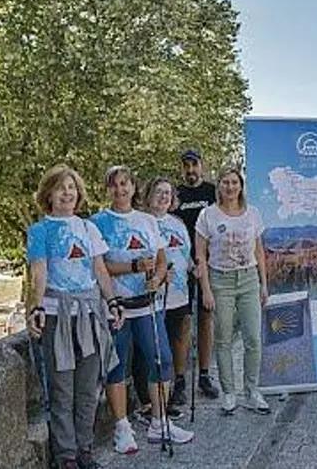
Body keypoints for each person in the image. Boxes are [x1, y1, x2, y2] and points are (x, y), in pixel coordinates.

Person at [25, 164, 123, 469]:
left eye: (72, 188)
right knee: (62, 389)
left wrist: (112, 302)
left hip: (90, 315)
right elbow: (39, 273)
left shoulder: (88, 228)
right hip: (59, 316)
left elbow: (100, 270)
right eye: (60, 188)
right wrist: (36, 308)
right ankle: (66, 455)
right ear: (48, 194)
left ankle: (85, 449)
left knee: (87, 389)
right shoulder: (40, 231)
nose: (67, 193)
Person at [91, 166, 193, 454]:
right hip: (117, 307)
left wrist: (157, 279)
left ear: (134, 187)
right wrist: (133, 266)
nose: (120, 189)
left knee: (162, 361)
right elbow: (100, 266)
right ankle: (122, 427)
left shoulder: (147, 221)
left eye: (125, 184)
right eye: (114, 185)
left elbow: (161, 259)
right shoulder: (97, 222)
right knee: (117, 366)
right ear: (108, 190)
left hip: (148, 304)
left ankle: (159, 422)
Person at [195, 168, 270, 414]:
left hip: (248, 278)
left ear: (241, 185)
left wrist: (263, 284)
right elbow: (200, 255)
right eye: (225, 182)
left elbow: (259, 251)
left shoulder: (253, 213)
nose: (230, 187)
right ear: (219, 186)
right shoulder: (208, 215)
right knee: (223, 339)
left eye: (234, 182)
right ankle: (229, 393)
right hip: (220, 280)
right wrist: (206, 289)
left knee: (253, 338)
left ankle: (252, 391)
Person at [172, 149, 219, 400]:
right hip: (182, 266)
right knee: (183, 322)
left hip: (208, 264)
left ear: (202, 165)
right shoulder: (176, 194)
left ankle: (204, 375)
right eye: (186, 165)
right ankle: (179, 380)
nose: (190, 170)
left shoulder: (212, 192)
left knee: (206, 318)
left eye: (194, 164)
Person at [146, 177, 194, 408]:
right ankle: (155, 399)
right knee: (157, 345)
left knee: (180, 336)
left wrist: (195, 267)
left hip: (179, 292)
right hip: (154, 295)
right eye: (158, 192)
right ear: (148, 196)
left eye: (168, 193)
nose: (164, 197)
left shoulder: (178, 223)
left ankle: (179, 383)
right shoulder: (143, 222)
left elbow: (186, 254)